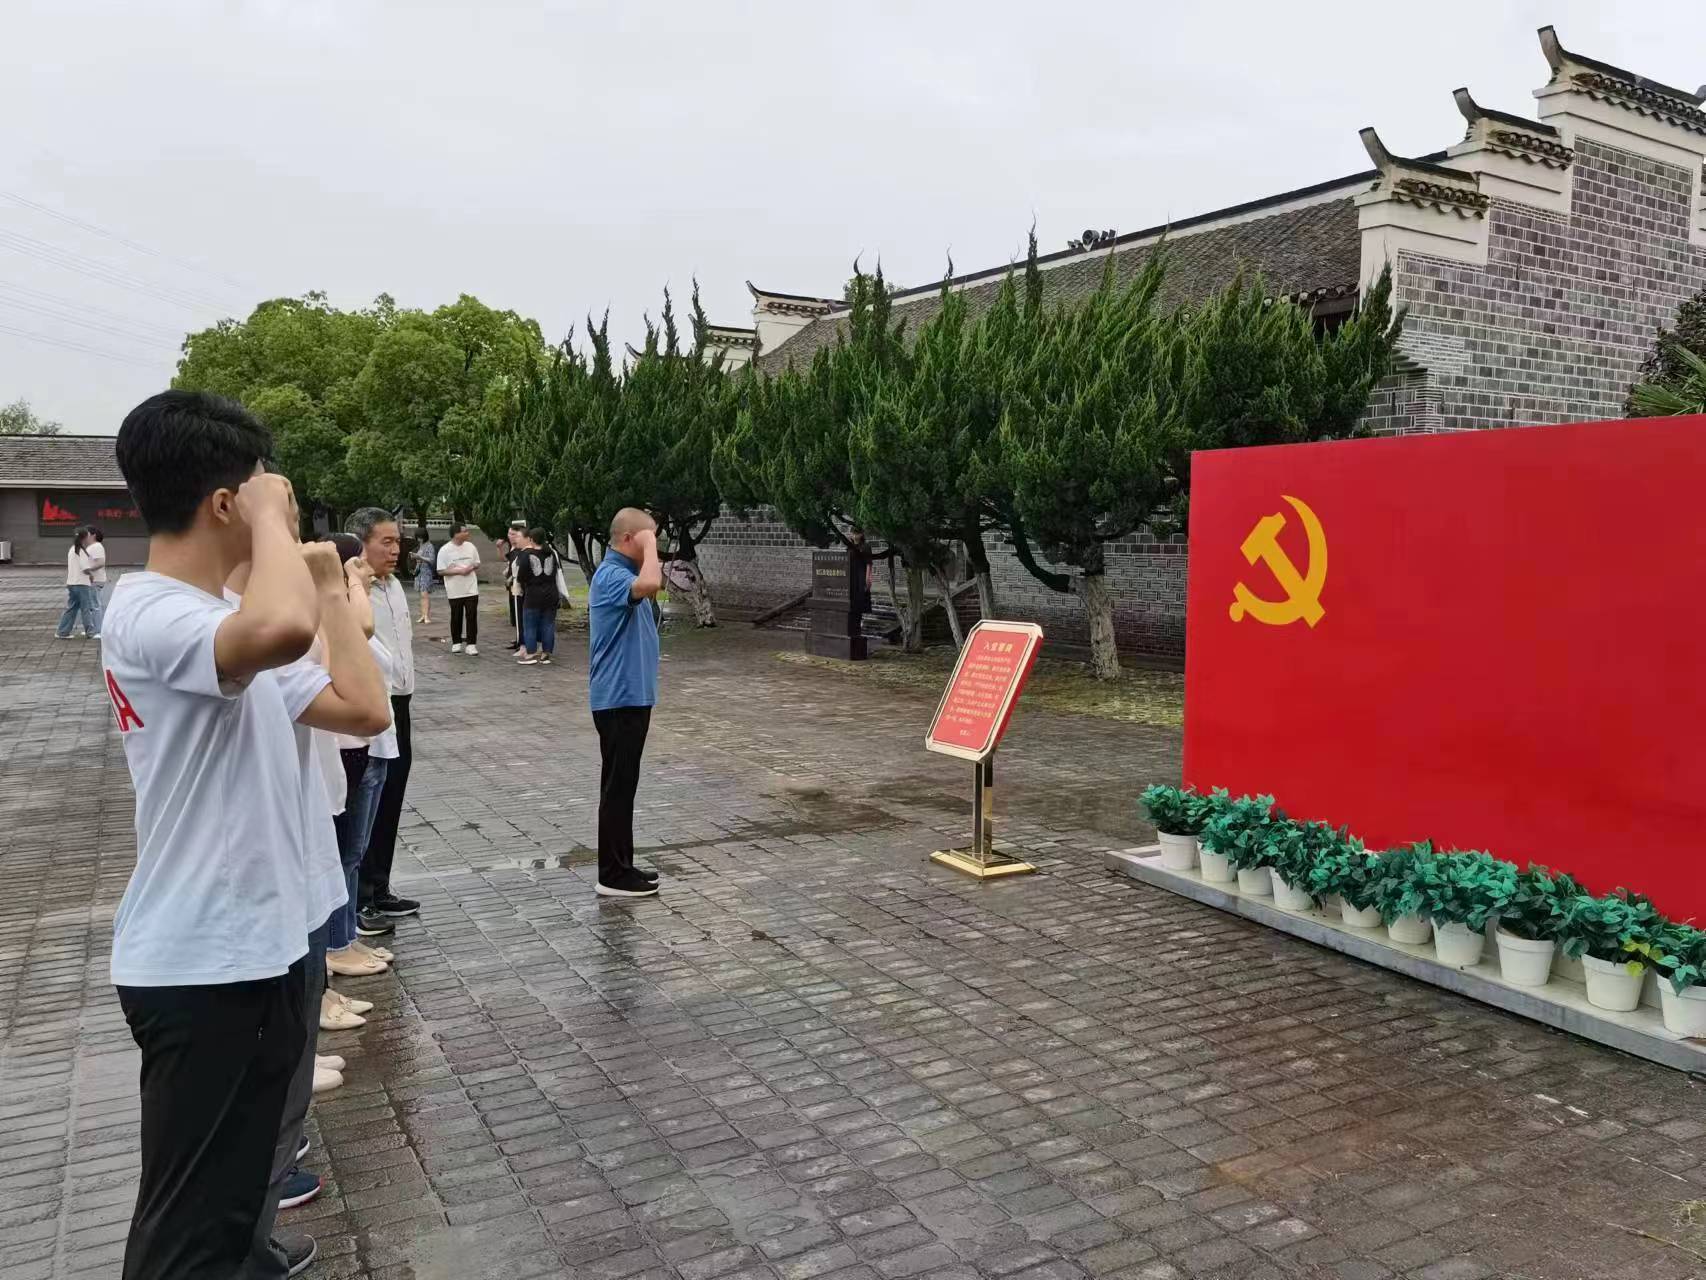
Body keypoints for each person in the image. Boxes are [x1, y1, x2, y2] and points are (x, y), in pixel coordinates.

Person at [101, 389, 321, 1280]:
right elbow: (286, 624)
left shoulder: (198, 615)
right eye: (261, 487)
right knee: (187, 1244)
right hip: (204, 965)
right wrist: (272, 520)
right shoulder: (152, 610)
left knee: (229, 1222)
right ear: (226, 502)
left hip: (245, 954)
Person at [228, 515, 389, 1279]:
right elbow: (357, 690)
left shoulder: (253, 629)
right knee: (250, 1083)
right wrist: (328, 585)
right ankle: (244, 1224)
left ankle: (254, 1226)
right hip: (243, 901)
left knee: (282, 1066)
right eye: (280, 510)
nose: (294, 529)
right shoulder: (187, 619)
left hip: (292, 867)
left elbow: (363, 702)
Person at [587, 507, 665, 898]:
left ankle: (622, 864)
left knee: (624, 786)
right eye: (649, 538)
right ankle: (612, 875)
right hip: (619, 698)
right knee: (618, 788)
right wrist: (649, 545)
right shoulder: (611, 575)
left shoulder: (624, 575)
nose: (656, 545)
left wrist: (646, 544)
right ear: (629, 539)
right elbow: (652, 582)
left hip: (632, 696)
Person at [350, 507, 421, 924]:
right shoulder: (351, 590)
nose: (396, 550)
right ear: (362, 543)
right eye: (387, 541)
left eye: (398, 541)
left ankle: (380, 886)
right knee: (367, 801)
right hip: (370, 704)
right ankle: (359, 899)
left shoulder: (394, 586)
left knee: (392, 795)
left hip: (401, 701)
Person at [514, 526, 561, 665]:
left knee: (530, 625)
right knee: (548, 624)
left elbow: (521, 576)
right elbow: (556, 572)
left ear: (531, 539)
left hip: (533, 594)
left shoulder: (527, 554)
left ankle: (531, 653)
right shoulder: (551, 553)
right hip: (551, 593)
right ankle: (546, 653)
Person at [436, 522, 481, 655]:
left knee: (471, 616)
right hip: (454, 589)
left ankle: (471, 644)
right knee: (456, 616)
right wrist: (458, 571)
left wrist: (470, 568)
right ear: (456, 534)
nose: (467, 533)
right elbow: (440, 570)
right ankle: (456, 642)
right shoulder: (445, 550)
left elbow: (477, 563)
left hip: (471, 588)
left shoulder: (471, 547)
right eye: (464, 531)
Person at [55, 526, 100, 639]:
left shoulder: (72, 549)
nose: (88, 538)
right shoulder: (81, 551)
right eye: (88, 536)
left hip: (71, 583)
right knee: (86, 608)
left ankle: (62, 632)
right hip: (81, 584)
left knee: (71, 608)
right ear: (84, 538)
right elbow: (85, 569)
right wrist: (91, 575)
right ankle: (91, 633)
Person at [411, 527, 436, 624]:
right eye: (418, 537)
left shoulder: (429, 546)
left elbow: (432, 560)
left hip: (426, 573)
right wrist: (415, 557)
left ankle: (426, 616)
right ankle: (423, 615)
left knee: (424, 595)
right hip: (419, 573)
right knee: (421, 595)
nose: (419, 539)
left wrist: (420, 557)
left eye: (421, 537)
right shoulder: (420, 546)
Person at [88, 526, 111, 624]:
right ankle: (93, 628)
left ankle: (97, 629)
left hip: (95, 580)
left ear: (93, 535)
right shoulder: (92, 547)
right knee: (91, 605)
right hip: (92, 580)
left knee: (94, 605)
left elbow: (100, 562)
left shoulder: (96, 546)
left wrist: (87, 569)